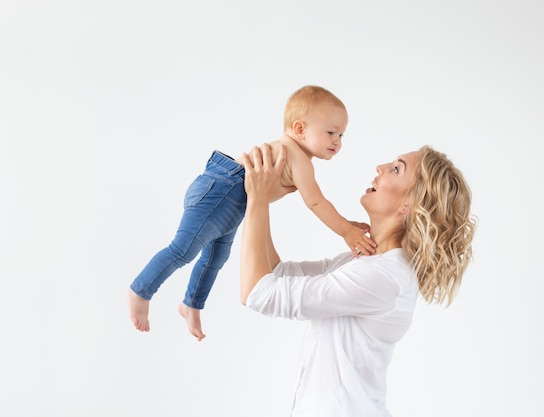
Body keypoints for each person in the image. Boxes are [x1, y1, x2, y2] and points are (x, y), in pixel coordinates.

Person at [239, 143, 476, 417]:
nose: (380, 168)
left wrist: (256, 199)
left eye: (397, 169)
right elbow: (276, 275)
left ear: (408, 205)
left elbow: (257, 292)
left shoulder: (383, 276)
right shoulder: (368, 261)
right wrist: (260, 200)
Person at [127, 85, 377, 341]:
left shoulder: (296, 154)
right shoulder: (296, 156)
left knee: (216, 258)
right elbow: (316, 203)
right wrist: (346, 231)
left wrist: (346, 224)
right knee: (183, 250)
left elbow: (317, 203)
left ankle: (191, 304)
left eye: (342, 135)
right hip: (223, 190)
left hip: (231, 199)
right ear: (300, 129)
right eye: (331, 132)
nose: (337, 141)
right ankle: (141, 290)